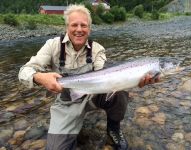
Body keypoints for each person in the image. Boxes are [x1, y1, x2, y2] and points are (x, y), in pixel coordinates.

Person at [18, 4, 159, 150]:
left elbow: (107, 77)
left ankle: (113, 130)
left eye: (83, 25)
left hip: (92, 96)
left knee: (120, 90)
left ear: (89, 29)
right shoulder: (52, 46)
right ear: (67, 27)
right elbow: (24, 71)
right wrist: (39, 77)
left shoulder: (98, 49)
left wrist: (136, 80)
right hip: (67, 102)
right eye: (74, 25)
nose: (79, 29)